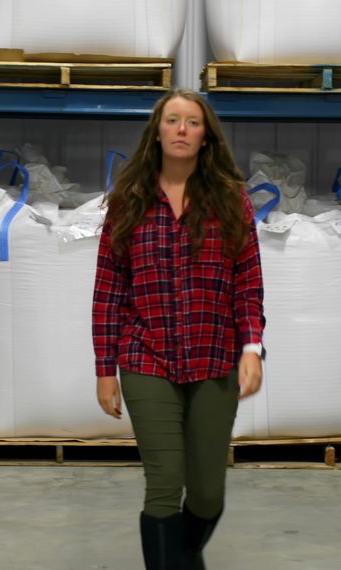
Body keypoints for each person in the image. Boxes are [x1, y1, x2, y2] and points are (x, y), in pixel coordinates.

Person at [92, 88, 265, 569]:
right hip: (147, 359)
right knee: (164, 484)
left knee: (207, 493)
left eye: (192, 122)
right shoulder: (128, 203)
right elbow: (107, 293)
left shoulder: (231, 201)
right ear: (158, 132)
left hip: (215, 359)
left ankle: (184, 558)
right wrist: (106, 370)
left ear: (206, 137)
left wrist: (252, 347)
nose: (182, 129)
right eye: (173, 120)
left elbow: (248, 283)